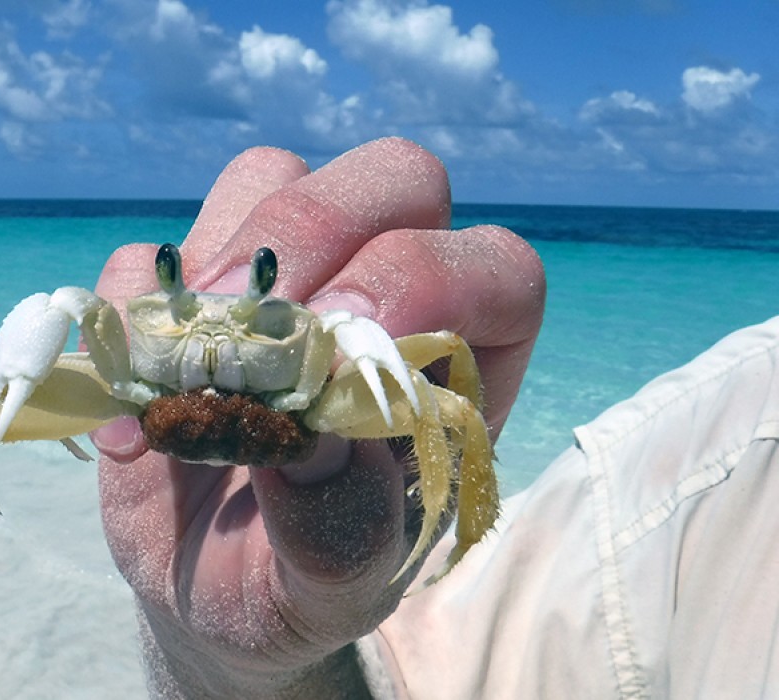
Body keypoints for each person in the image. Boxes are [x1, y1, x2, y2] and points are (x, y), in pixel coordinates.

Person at [89, 138, 779, 698]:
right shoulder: (713, 474)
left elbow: (447, 383)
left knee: (445, 400)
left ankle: (466, 534)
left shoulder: (696, 538)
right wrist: (230, 671)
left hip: (313, 400)